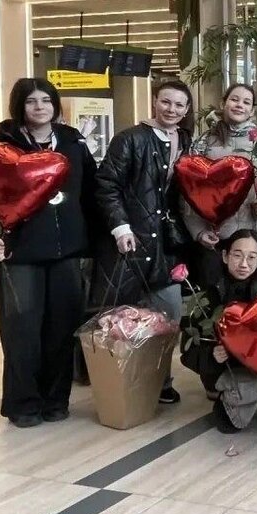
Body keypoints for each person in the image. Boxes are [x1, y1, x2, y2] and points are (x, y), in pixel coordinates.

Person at [0, 78, 97, 427]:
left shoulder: (73, 143)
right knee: (22, 330)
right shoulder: (1, 148)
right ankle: (23, 404)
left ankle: (55, 400)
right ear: (19, 106)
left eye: (46, 100)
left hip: (67, 252)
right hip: (20, 254)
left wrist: (101, 241)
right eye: (31, 101)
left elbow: (91, 194)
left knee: (61, 329)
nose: (40, 107)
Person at [93, 79, 193, 404]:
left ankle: (161, 382)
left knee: (169, 315)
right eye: (166, 102)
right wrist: (120, 227)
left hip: (167, 246)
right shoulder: (130, 139)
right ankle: (123, 384)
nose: (171, 109)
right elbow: (106, 184)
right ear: (154, 102)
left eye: (179, 105)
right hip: (132, 243)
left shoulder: (186, 141)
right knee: (124, 319)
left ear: (186, 110)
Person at [180, 230, 257, 433]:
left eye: (251, 257)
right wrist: (212, 355)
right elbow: (187, 349)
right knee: (231, 424)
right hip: (230, 367)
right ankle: (226, 401)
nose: (244, 264)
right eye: (237, 255)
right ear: (225, 256)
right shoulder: (208, 292)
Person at [181, 84, 257, 286]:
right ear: (223, 103)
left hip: (250, 239)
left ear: (252, 110)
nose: (239, 105)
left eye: (246, 102)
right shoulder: (203, 143)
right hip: (213, 239)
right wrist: (198, 232)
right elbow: (187, 191)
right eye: (234, 99)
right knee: (213, 296)